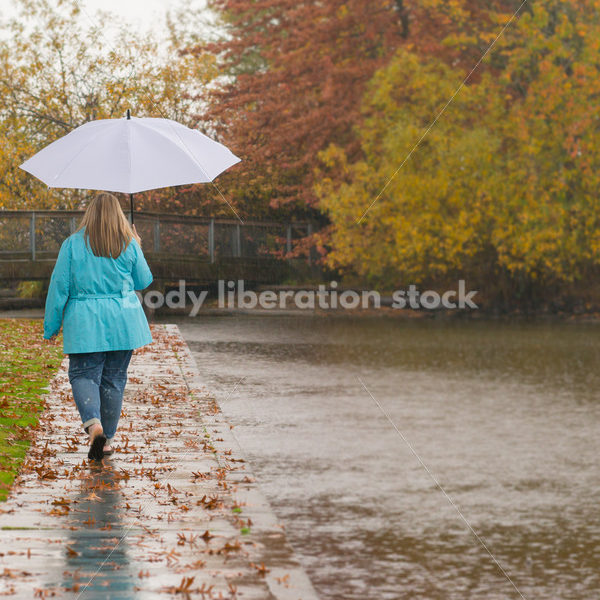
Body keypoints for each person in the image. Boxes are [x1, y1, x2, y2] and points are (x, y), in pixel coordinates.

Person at [43, 192, 153, 460]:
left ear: (89, 214)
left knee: (83, 375)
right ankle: (107, 441)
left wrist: (51, 325)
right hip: (123, 322)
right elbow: (143, 281)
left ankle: (94, 425)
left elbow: (60, 288)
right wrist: (137, 244)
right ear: (119, 216)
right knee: (114, 380)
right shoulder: (128, 245)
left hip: (85, 321)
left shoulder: (72, 245)